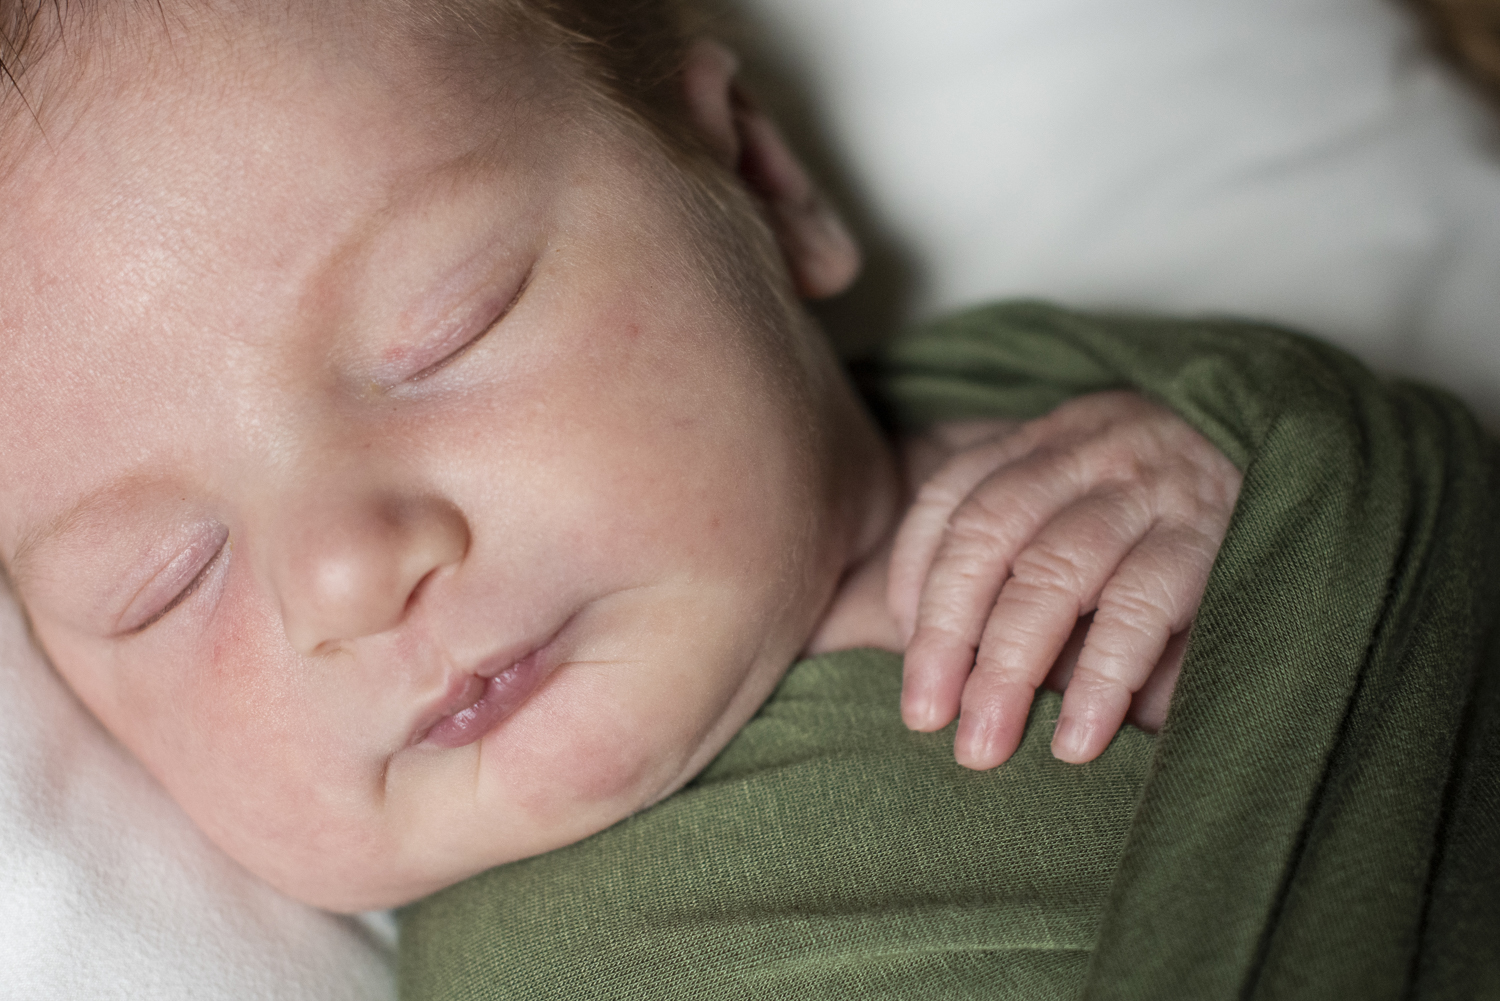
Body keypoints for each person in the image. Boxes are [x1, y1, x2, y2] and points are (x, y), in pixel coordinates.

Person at [4, 2, 1496, 997]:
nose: (346, 573)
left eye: (447, 325)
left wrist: (1294, 533)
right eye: (160, 571)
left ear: (762, 180)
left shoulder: (1149, 434)